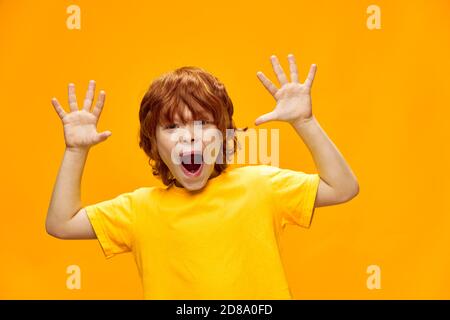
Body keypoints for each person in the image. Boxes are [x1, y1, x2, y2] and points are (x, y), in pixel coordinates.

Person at [46, 54, 359, 299]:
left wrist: (305, 122)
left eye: (202, 124)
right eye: (172, 127)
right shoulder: (138, 210)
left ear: (224, 136)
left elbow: (343, 188)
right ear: (153, 144)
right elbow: (61, 223)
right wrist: (76, 152)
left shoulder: (261, 187)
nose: (189, 138)